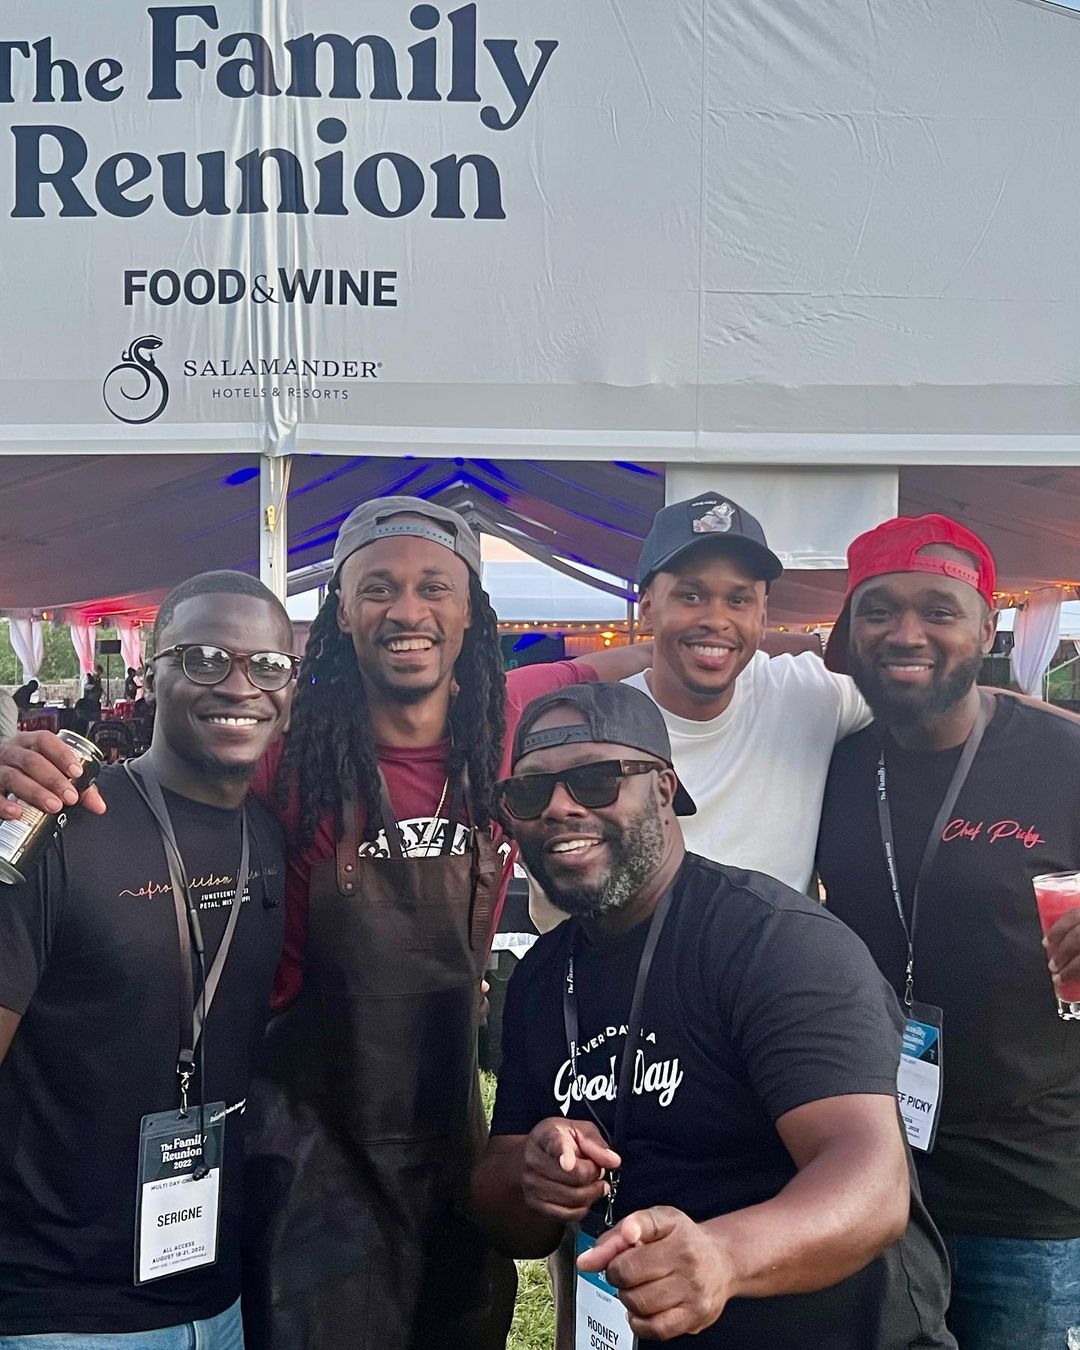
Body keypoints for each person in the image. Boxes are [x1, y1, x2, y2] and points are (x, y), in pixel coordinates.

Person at [0, 497, 649, 1350]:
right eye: (377, 588)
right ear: (340, 612)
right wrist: (17, 773)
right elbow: (169, 785)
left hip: (448, 1133)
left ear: (470, 611)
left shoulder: (511, 735)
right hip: (303, 1145)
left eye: (435, 587)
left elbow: (662, 658)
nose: (407, 611)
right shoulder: (277, 742)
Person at [471, 681, 955, 1348]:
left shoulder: (772, 942)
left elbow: (871, 1183)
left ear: (663, 791)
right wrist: (534, 1172)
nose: (558, 807)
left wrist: (724, 1256)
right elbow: (508, 1217)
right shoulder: (541, 978)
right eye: (528, 792)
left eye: (595, 780)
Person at [0, 570, 294, 1346]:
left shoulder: (269, 837)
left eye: (268, 665)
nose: (241, 685)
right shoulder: (58, 824)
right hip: (62, 1313)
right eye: (205, 658)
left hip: (221, 1300)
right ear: (151, 675)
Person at [816, 514, 1080, 1349]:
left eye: (939, 609)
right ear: (849, 631)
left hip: (1027, 1189)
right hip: (868, 1172)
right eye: (879, 610)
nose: (906, 634)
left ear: (987, 627)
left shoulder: (1065, 758)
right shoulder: (832, 760)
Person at [623, 491, 871, 893]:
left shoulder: (809, 693)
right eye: (691, 596)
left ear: (762, 616)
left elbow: (935, 699)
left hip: (784, 936)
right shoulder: (608, 726)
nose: (717, 620)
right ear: (648, 609)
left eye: (738, 600)